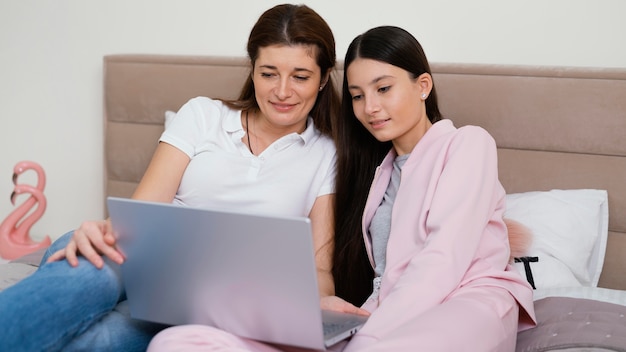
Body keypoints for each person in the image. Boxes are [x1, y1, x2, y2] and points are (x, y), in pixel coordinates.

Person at [146, 26, 537, 352]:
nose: (370, 107)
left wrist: (369, 330)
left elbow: (444, 258)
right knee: (180, 340)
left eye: (383, 89)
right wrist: (326, 312)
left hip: (466, 302)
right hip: (384, 311)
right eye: (357, 95)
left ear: (422, 86)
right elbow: (374, 272)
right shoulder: (375, 173)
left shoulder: (467, 143)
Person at [0, 4, 343, 351]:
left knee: (101, 341)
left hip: (201, 310)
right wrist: (102, 227)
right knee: (89, 279)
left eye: (300, 76)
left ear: (324, 77)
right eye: (269, 73)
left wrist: (300, 307)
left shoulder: (325, 153)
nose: (282, 91)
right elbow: (141, 214)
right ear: (252, 70)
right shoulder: (202, 114)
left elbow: (320, 270)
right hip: (130, 258)